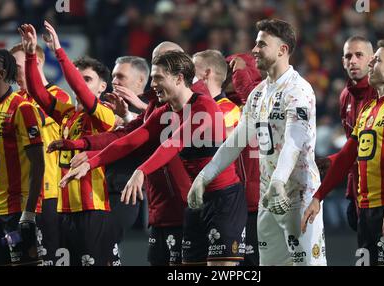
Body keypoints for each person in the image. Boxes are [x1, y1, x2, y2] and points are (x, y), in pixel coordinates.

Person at [60, 51, 247, 266]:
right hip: (195, 202)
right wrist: (92, 162)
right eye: (153, 78)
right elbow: (130, 140)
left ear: (178, 78)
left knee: (220, 271)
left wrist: (140, 171)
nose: (153, 84)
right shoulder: (165, 111)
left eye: (158, 78)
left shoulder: (204, 107)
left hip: (223, 198)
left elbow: (173, 144)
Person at [187, 19, 326, 266]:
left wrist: (279, 181)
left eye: (262, 44)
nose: (254, 49)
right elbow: (236, 140)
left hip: (296, 196)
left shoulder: (299, 89)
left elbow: (295, 139)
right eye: (256, 43)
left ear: (283, 50)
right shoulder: (258, 93)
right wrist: (204, 176)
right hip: (268, 200)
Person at [56, 42, 193, 266]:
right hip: (143, 202)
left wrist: (140, 170)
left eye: (121, 76)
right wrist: (85, 148)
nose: (115, 82)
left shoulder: (185, 105)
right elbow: (126, 138)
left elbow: (163, 144)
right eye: (114, 77)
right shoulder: (143, 109)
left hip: (139, 194)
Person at [302, 40, 384, 266]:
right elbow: (345, 158)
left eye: (377, 60)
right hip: (367, 209)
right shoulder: (369, 109)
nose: (371, 64)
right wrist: (319, 196)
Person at [20, 21, 117, 266]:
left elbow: (79, 89)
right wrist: (31, 55)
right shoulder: (68, 115)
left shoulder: (103, 115)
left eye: (89, 79)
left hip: (91, 209)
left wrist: (59, 52)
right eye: (80, 77)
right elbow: (38, 92)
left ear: (102, 87)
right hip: (63, 210)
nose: (82, 83)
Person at [9, 43, 72, 266]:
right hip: (19, 196)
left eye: (16, 66)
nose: (12, 73)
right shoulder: (13, 102)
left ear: (36, 62)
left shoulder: (58, 96)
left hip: (48, 196)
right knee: (17, 251)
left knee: (49, 257)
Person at [0, 49, 45, 265]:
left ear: (0, 74)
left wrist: (29, 212)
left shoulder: (22, 108)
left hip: (17, 212)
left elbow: (38, 163)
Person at [317, 36, 377, 231]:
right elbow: (354, 148)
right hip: (357, 189)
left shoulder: (382, 92)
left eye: (359, 55)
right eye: (348, 56)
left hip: (381, 190)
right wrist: (334, 160)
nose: (353, 60)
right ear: (343, 62)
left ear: (372, 59)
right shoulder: (345, 96)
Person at [225, 53, 262, 266]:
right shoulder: (223, 104)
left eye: (232, 70)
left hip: (256, 203)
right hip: (236, 203)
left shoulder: (260, 101)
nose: (228, 76)